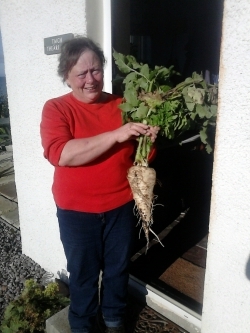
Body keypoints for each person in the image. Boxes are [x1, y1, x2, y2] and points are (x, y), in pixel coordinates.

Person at [40, 36, 159, 333]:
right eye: (81, 73)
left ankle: (115, 320)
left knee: (118, 270)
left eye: (96, 70)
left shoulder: (121, 105)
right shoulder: (56, 109)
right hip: (77, 212)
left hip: (120, 206)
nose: (91, 80)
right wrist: (116, 135)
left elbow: (137, 157)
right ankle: (82, 325)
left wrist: (149, 140)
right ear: (66, 76)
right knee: (83, 275)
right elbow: (62, 154)